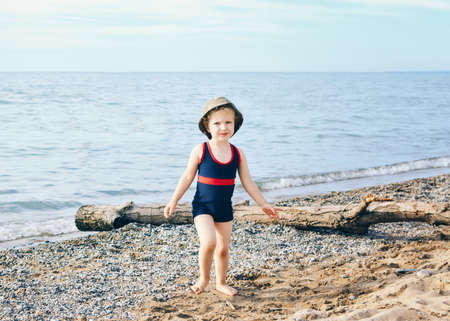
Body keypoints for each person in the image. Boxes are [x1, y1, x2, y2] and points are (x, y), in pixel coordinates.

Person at [164, 97, 281, 296]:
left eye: (228, 122)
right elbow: (187, 177)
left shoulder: (238, 153)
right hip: (202, 207)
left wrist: (263, 204)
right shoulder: (201, 150)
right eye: (217, 123)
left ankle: (221, 282)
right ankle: (203, 278)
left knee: (223, 249)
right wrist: (174, 200)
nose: (223, 127)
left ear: (235, 124)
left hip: (224, 208)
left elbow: (248, 182)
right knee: (209, 242)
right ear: (207, 127)